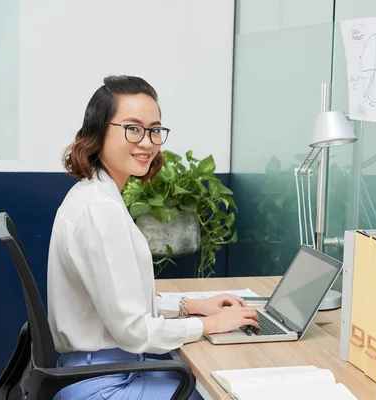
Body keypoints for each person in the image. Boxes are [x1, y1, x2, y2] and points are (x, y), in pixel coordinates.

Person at [47, 75, 260, 399]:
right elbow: (133, 331)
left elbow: (121, 302)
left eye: (155, 130)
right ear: (99, 131)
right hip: (105, 382)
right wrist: (211, 325)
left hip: (102, 368)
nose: (147, 142)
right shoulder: (100, 211)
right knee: (221, 391)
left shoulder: (94, 194)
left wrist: (193, 305)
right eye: (133, 128)